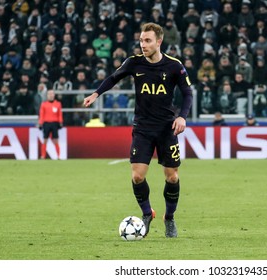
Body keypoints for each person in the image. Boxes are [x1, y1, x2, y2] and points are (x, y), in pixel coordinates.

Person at [83, 23, 193, 238]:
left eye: (148, 41)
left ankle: (169, 218)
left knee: (172, 177)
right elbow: (113, 78)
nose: (143, 45)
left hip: (166, 128)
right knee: (137, 176)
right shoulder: (134, 63)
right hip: (142, 128)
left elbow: (188, 93)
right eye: (141, 40)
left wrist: (182, 116)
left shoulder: (174, 66)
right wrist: (96, 94)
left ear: (159, 42)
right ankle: (147, 213)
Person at [38, 90, 63, 159]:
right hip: (46, 123)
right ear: (47, 95)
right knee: (45, 139)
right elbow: (41, 114)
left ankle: (58, 156)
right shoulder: (44, 104)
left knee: (56, 140)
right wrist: (40, 123)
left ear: (54, 95)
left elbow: (59, 114)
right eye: (49, 94)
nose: (51, 95)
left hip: (55, 123)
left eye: (52, 94)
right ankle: (43, 156)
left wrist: (60, 122)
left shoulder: (58, 104)